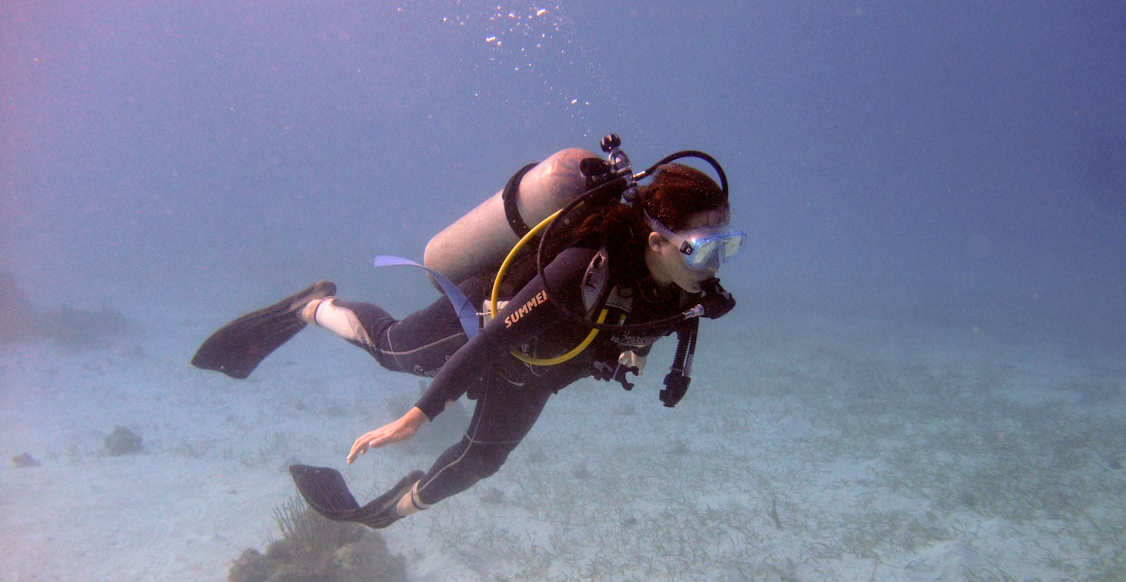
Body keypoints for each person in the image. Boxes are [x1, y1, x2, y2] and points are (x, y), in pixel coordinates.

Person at [192, 143, 744, 528]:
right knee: (391, 352)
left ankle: (387, 514)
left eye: (727, 244)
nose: (716, 263)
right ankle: (312, 306)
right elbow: (495, 338)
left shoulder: (687, 290)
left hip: (538, 375)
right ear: (655, 241)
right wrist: (419, 416)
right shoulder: (583, 266)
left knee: (481, 461)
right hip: (479, 321)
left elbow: (644, 334)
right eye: (704, 247)